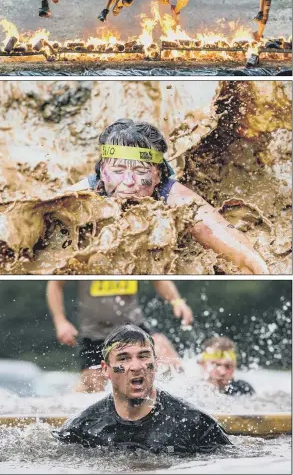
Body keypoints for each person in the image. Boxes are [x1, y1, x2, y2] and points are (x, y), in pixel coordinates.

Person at [65, 118, 270, 275]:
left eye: (140, 171)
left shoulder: (175, 197)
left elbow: (231, 243)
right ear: (102, 170)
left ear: (157, 174)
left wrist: (258, 268)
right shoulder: (83, 194)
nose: (128, 181)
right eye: (118, 170)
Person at [52, 323, 232, 453]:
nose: (136, 366)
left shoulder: (195, 423)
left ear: (156, 364)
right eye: (123, 358)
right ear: (106, 369)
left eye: (144, 356)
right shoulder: (82, 428)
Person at [46, 279, 193, 392]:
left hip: (134, 326)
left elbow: (159, 279)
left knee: (166, 356)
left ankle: (187, 392)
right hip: (95, 334)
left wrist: (177, 301)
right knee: (93, 386)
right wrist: (60, 320)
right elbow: (55, 284)